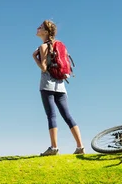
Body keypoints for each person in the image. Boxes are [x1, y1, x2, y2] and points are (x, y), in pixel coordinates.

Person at [33, 20, 85, 156]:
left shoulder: (43, 47)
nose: (37, 28)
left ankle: (54, 147)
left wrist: (34, 57)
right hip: (61, 86)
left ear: (45, 32)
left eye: (40, 27)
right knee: (67, 115)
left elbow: (44, 67)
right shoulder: (59, 45)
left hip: (47, 85)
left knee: (51, 115)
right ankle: (80, 146)